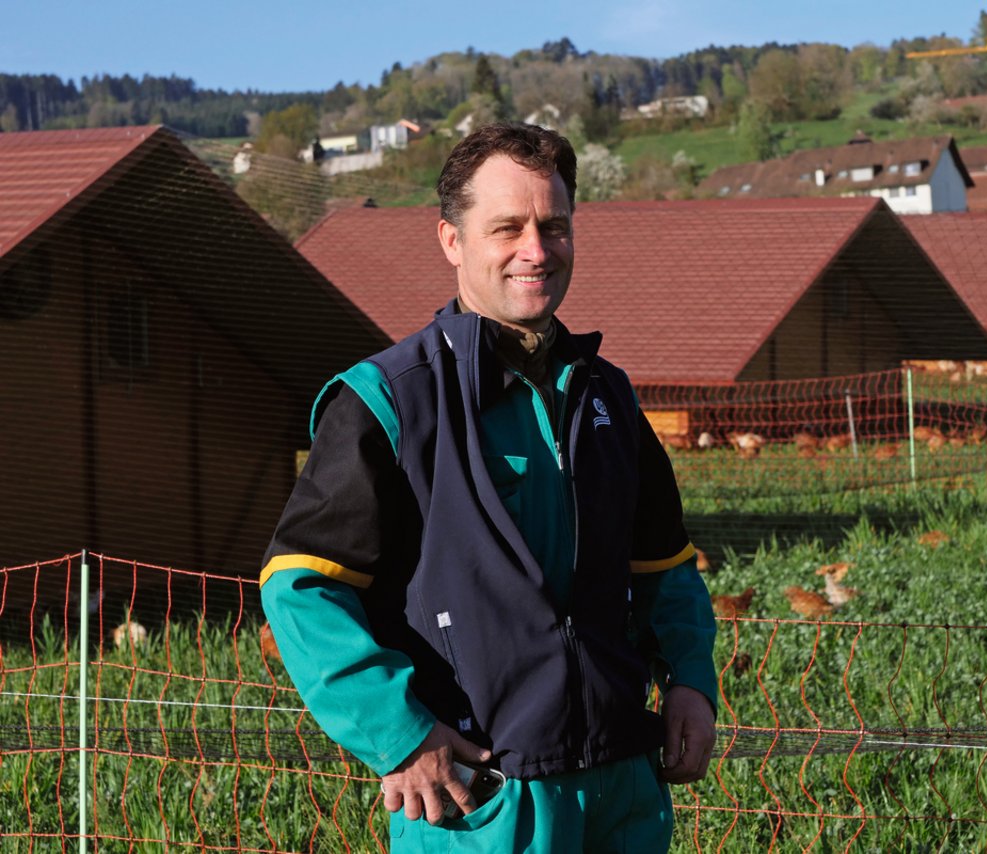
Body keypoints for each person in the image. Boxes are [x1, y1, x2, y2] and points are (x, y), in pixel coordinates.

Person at [259, 122, 717, 853]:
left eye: (554, 227)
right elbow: (298, 588)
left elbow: (665, 569)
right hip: (483, 802)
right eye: (508, 227)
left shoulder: (609, 399)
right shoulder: (388, 402)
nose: (536, 250)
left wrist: (691, 680)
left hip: (622, 789)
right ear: (451, 240)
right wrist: (400, 735)